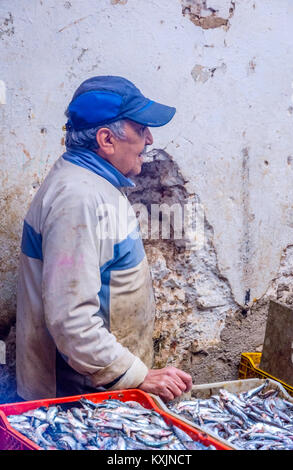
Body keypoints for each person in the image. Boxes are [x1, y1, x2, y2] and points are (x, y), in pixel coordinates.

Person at [16, 76, 192, 402]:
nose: (149, 139)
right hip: (76, 398)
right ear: (106, 139)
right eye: (141, 130)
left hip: (97, 389)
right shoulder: (78, 200)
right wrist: (140, 376)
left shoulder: (91, 182)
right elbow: (72, 321)